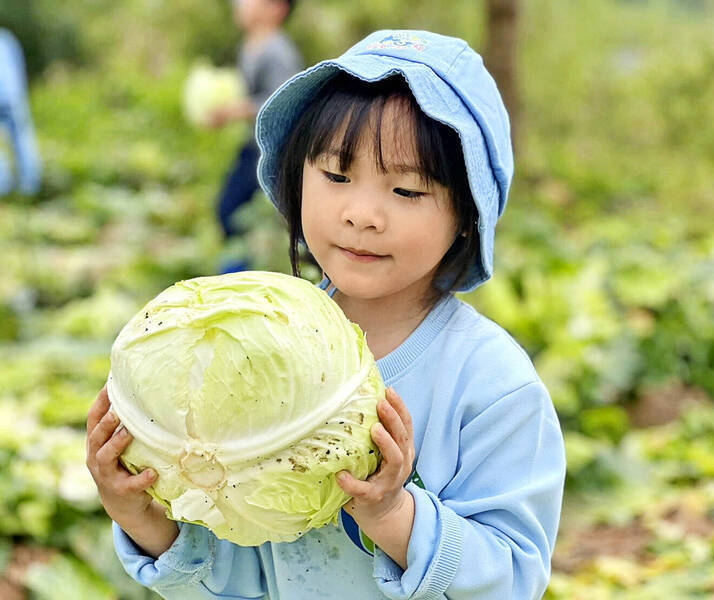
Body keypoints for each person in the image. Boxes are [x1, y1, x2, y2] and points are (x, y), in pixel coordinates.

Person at [86, 30, 567, 599]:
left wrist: (393, 513)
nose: (362, 215)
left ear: (467, 215)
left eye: (406, 190)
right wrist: (140, 515)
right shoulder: (260, 348)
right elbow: (238, 572)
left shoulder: (493, 384)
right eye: (337, 177)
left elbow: (514, 578)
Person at [211, 0, 303, 273]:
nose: (241, 4)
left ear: (277, 8)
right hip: (252, 146)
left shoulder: (277, 50)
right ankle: (236, 271)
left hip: (272, 149)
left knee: (234, 211)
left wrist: (238, 109)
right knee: (232, 212)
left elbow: (284, 99)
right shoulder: (250, 45)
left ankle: (238, 274)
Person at [0, 27, 41, 197]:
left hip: (10, 96)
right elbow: (19, 67)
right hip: (13, 95)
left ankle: (4, 186)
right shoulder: (6, 39)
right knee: (22, 138)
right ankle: (30, 186)